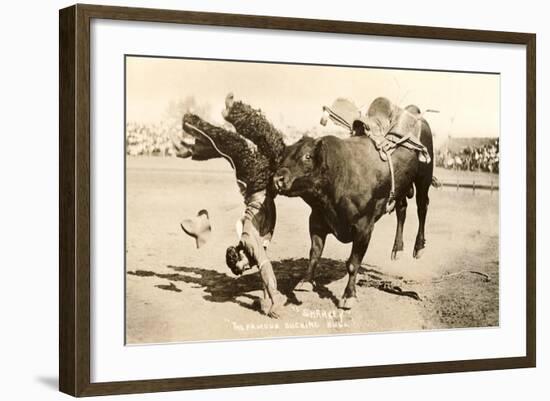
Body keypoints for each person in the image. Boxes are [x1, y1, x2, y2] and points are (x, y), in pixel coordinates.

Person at [174, 94, 286, 318]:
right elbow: (262, 264)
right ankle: (233, 111)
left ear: (240, 254)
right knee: (266, 145)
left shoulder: (246, 239)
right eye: (244, 268)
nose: (246, 268)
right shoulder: (252, 244)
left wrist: (274, 299)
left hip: (259, 190)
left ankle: (193, 122)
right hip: (263, 194)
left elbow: (264, 265)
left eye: (241, 266)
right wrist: (265, 299)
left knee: (235, 146)